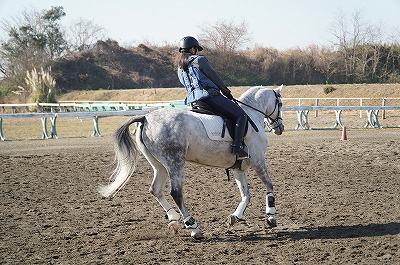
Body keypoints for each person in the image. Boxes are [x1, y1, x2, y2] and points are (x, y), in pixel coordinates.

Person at [177, 36, 248, 158]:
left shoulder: (180, 68)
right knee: (241, 115)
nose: (197, 51)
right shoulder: (200, 60)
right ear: (193, 49)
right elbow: (213, 75)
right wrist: (225, 91)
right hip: (209, 97)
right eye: (196, 49)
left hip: (194, 101)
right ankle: (237, 146)